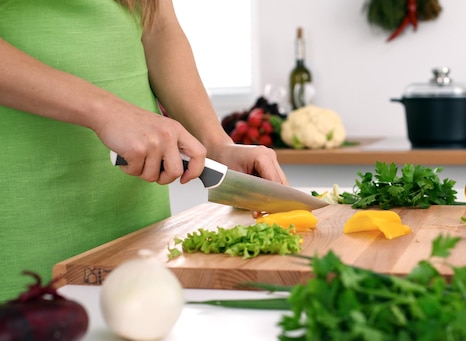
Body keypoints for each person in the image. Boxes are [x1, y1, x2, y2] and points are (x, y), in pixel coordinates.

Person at [0, 0, 288, 301]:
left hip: (137, 216)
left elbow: (159, 25)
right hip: (24, 206)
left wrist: (215, 143)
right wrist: (106, 112)